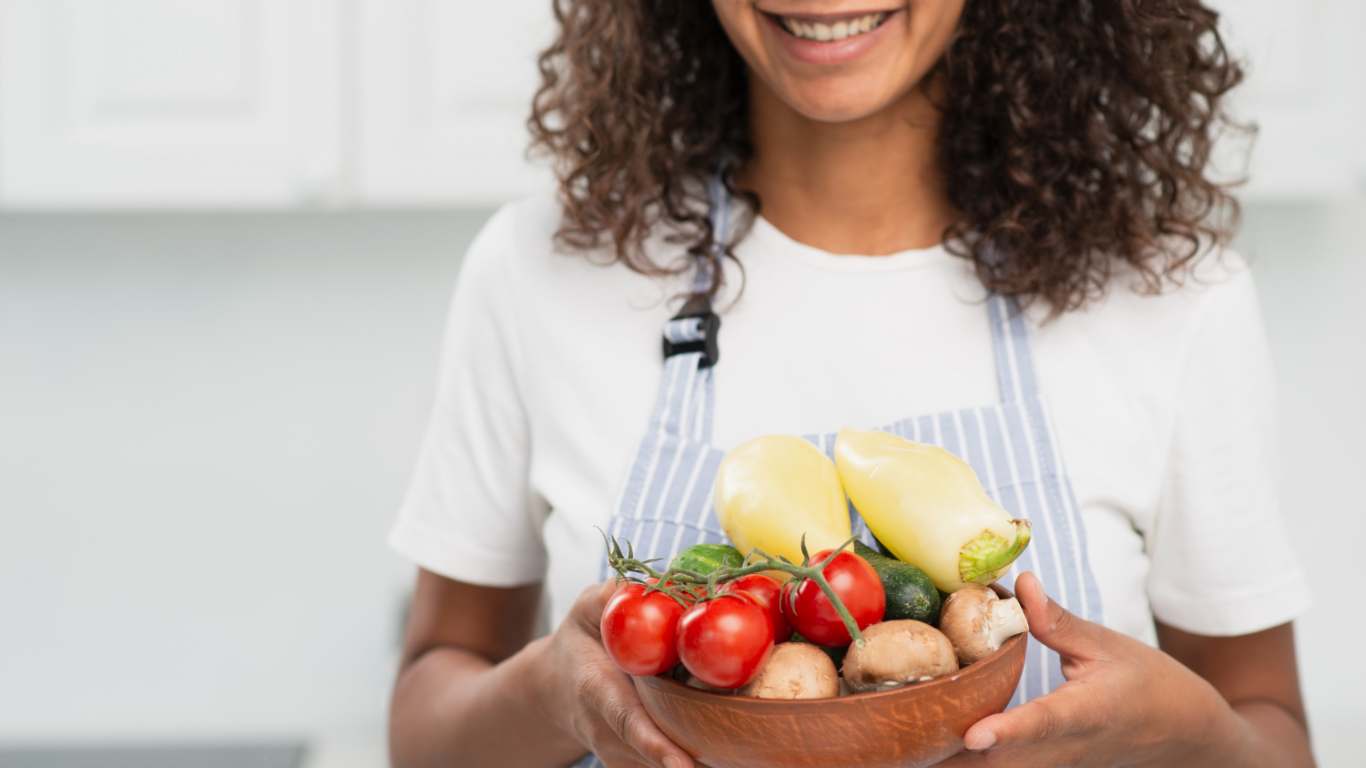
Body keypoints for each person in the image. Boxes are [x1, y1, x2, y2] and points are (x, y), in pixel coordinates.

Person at [386, 1, 1314, 766]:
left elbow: (1273, 735)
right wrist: (555, 692)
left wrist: (1175, 733)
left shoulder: (1171, 297)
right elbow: (425, 728)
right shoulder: (539, 271)